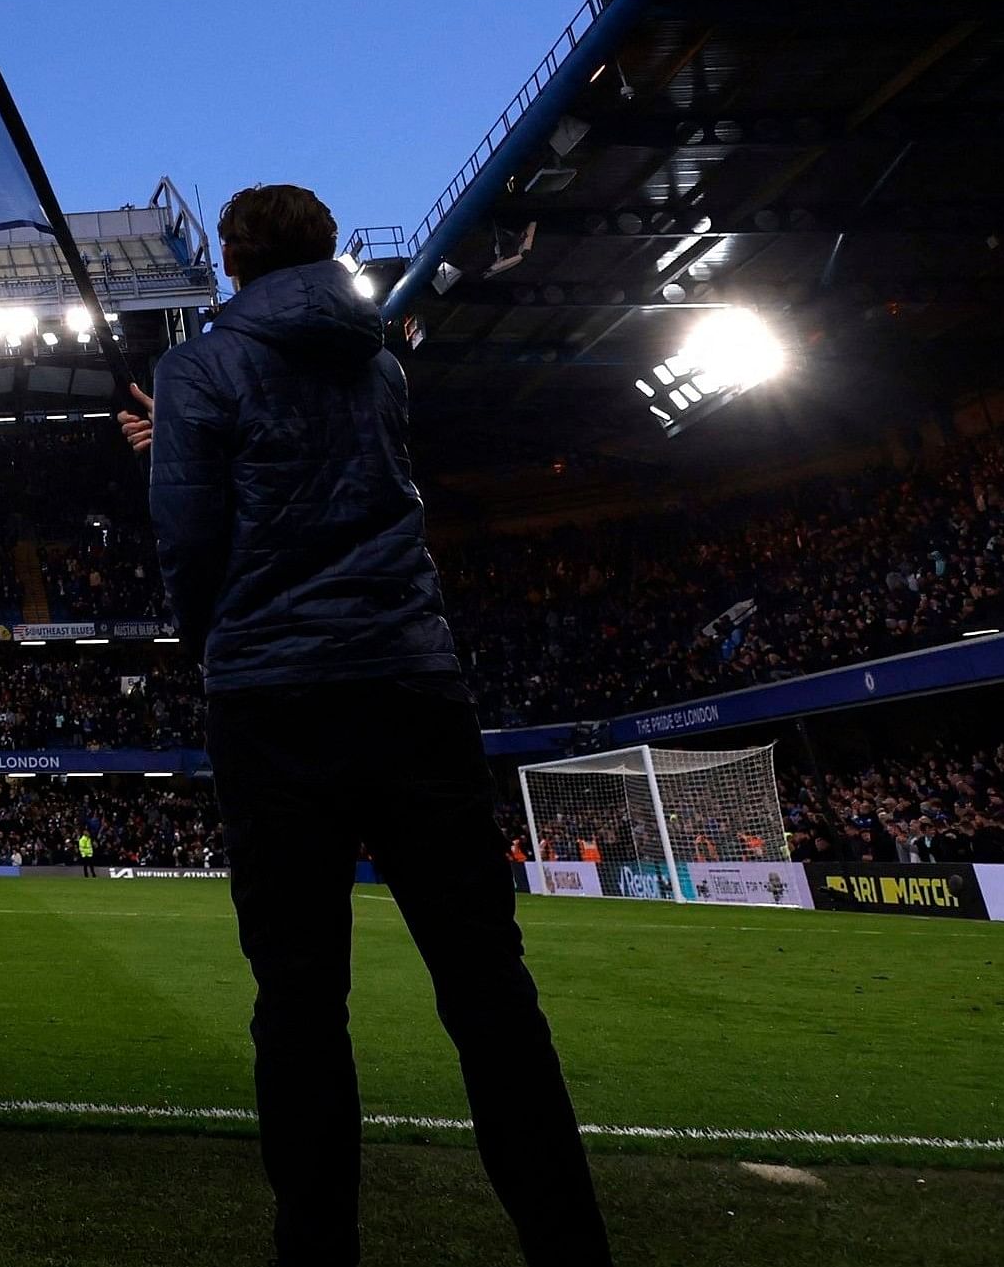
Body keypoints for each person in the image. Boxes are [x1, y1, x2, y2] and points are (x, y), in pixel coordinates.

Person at [123, 183, 609, 1267]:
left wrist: (210, 636)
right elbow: (323, 472)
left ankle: (315, 1251)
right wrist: (185, 436)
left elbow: (192, 538)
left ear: (232, 261)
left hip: (275, 699)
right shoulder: (379, 360)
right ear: (326, 249)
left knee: (298, 998)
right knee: (488, 989)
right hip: (408, 683)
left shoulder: (198, 366)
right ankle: (568, 1246)